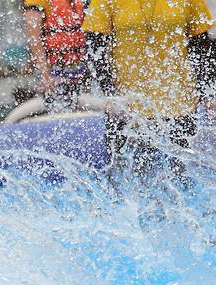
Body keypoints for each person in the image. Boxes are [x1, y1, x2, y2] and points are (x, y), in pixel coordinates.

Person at [82, 0, 216, 181]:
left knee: (181, 182)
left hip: (179, 105)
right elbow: (95, 48)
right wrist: (110, 96)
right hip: (128, 108)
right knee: (126, 182)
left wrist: (208, 94)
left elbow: (202, 48)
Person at [23, 0, 87, 112]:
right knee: (58, 108)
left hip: (79, 71)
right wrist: (45, 75)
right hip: (52, 72)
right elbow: (34, 39)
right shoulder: (37, 2)